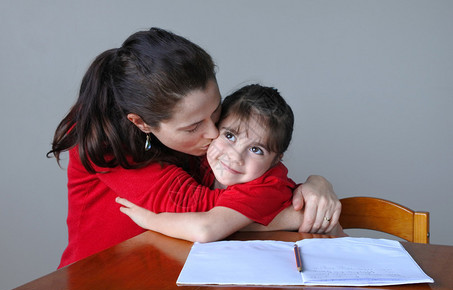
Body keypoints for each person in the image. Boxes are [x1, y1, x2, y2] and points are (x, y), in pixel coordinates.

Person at [47, 27, 341, 268]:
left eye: (215, 113)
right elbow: (204, 209)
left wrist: (314, 184)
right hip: (99, 279)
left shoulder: (204, 141)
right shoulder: (101, 138)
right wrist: (297, 216)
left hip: (168, 272)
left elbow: (244, 187)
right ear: (142, 123)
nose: (213, 133)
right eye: (193, 127)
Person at [117, 84, 343, 242]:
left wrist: (150, 220)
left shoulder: (268, 185)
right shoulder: (204, 162)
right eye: (230, 136)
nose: (235, 156)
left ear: (276, 160)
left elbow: (205, 229)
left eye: (256, 149)